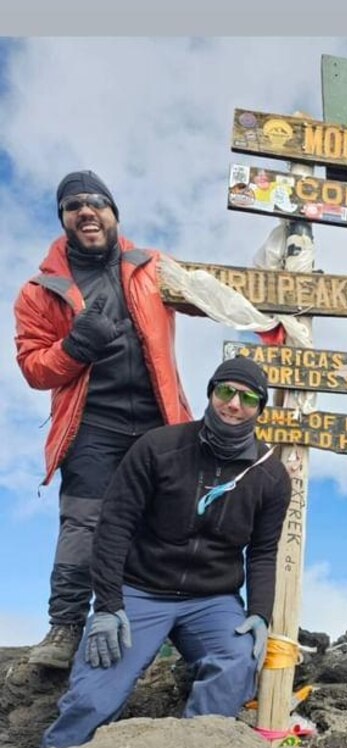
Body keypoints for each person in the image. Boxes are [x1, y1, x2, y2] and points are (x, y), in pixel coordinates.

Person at [40, 356, 292, 748]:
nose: (234, 405)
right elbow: (112, 527)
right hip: (139, 592)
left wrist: (259, 613)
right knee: (93, 698)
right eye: (226, 392)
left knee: (236, 663)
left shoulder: (271, 476)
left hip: (213, 600)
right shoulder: (158, 447)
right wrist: (107, 605)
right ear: (211, 393)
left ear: (260, 409)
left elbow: (261, 552)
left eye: (248, 398)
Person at [14, 171, 192, 669]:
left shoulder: (152, 266)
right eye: (73, 206)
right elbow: (32, 367)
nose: (85, 211)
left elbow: (210, 296)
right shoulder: (39, 290)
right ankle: (66, 627)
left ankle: (166, 626)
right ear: (64, 219)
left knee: (167, 522)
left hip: (160, 418)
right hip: (92, 424)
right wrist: (74, 348)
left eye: (96, 203)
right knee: (84, 523)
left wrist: (274, 310)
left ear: (115, 213)